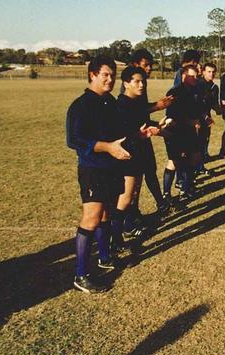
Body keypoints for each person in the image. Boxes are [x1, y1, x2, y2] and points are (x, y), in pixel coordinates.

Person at [66, 56, 146, 293]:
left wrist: (139, 134)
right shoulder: (81, 105)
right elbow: (74, 140)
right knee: (92, 217)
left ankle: (104, 257)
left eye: (112, 75)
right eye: (105, 75)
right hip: (92, 168)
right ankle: (81, 275)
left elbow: (119, 132)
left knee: (106, 214)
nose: (110, 79)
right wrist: (107, 147)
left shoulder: (109, 102)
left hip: (112, 167)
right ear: (92, 75)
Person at [120, 49, 173, 228]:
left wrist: (156, 126)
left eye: (150, 65)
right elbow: (133, 115)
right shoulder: (129, 91)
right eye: (145, 65)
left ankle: (157, 205)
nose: (149, 69)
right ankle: (128, 222)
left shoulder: (140, 86)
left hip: (142, 138)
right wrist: (157, 107)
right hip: (133, 143)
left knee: (148, 172)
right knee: (132, 186)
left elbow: (140, 114)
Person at [114, 66, 162, 247]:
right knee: (126, 197)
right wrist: (139, 133)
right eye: (137, 81)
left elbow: (144, 124)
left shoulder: (138, 103)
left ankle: (128, 226)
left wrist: (158, 127)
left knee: (133, 194)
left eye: (143, 81)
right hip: (128, 155)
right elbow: (123, 132)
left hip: (139, 152)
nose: (142, 85)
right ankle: (116, 238)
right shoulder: (122, 104)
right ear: (126, 83)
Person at [162, 65, 204, 202]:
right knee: (174, 162)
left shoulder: (196, 90)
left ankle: (186, 188)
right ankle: (166, 194)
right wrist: (189, 121)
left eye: (196, 76)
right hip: (176, 132)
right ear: (184, 76)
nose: (195, 78)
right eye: (192, 76)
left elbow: (198, 109)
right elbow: (171, 116)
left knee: (195, 157)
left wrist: (202, 118)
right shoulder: (175, 92)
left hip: (190, 131)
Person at [197, 62, 221, 165]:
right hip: (196, 118)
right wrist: (204, 116)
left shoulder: (214, 87)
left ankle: (202, 161)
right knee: (196, 142)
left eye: (213, 72)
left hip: (207, 118)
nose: (211, 74)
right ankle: (197, 167)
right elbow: (195, 104)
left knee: (205, 139)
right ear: (203, 72)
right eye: (209, 71)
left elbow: (214, 105)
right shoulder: (198, 85)